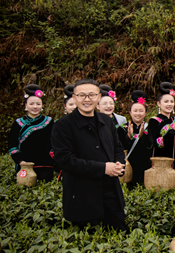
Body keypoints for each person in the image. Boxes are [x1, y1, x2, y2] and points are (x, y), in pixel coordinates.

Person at [51, 78, 127, 231]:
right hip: (82, 198)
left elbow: (117, 148)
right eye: (82, 95)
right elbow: (65, 160)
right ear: (74, 98)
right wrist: (103, 168)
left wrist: (119, 163)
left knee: (119, 236)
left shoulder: (106, 121)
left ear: (99, 97)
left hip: (111, 195)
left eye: (92, 95)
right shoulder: (63, 125)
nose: (87, 99)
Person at [8, 84, 55, 182]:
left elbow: (54, 141)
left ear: (42, 105)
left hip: (45, 166)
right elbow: (12, 144)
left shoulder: (49, 122)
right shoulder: (18, 123)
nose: (35, 106)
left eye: (38, 104)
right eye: (31, 104)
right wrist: (20, 161)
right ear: (26, 105)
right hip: (25, 166)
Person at [147, 82, 175, 179]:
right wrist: (172, 131)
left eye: (171, 101)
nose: (169, 104)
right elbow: (157, 142)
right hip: (160, 161)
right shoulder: (154, 121)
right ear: (158, 103)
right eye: (166, 102)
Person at [123, 90, 153, 186]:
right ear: (130, 112)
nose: (138, 113)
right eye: (135, 111)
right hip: (128, 166)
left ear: (145, 113)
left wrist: (143, 137)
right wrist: (128, 137)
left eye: (141, 111)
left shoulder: (150, 128)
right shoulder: (122, 128)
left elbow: (152, 146)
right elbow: (119, 147)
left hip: (145, 165)